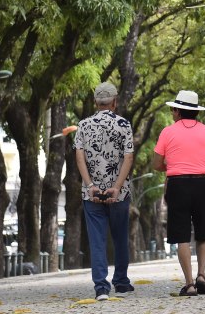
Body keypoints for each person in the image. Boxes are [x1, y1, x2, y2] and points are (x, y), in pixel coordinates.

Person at [152, 89, 205, 297]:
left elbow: (156, 163)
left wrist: (175, 167)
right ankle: (202, 275)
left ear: (178, 111)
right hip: (203, 184)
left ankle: (190, 284)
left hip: (178, 184)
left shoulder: (167, 132)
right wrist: (202, 170)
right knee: (203, 232)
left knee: (182, 235)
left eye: (173, 109)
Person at [74, 81, 136, 301]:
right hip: (118, 192)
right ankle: (121, 282)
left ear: (95, 102)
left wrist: (90, 185)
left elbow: (79, 156)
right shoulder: (124, 125)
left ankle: (101, 287)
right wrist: (117, 187)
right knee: (120, 237)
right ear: (114, 102)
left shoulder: (83, 125)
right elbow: (128, 157)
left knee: (97, 240)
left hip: (92, 194)